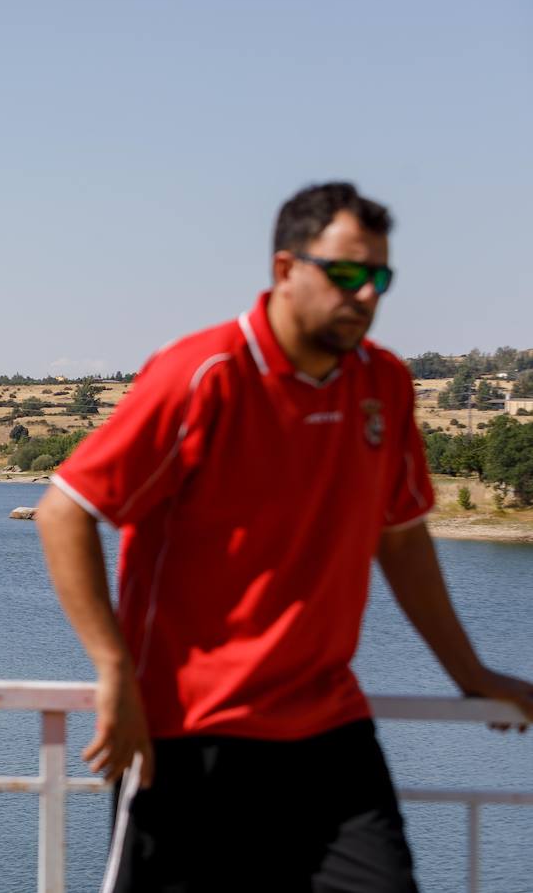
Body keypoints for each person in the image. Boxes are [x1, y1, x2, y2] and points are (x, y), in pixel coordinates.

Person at [34, 182, 533, 892]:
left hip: (328, 736)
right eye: (347, 274)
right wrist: (114, 669)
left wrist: (471, 674)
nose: (365, 296)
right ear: (284, 270)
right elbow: (65, 510)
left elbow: (403, 540)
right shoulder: (203, 375)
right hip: (184, 736)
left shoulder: (383, 384)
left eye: (379, 278)